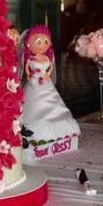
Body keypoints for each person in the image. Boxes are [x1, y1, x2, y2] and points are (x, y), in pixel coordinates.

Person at [20, 25, 80, 159]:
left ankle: (55, 134)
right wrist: (30, 76)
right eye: (38, 42)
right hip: (34, 83)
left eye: (46, 41)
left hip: (45, 84)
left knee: (53, 104)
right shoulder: (30, 60)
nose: (42, 45)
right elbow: (27, 70)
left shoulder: (47, 59)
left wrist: (46, 76)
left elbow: (49, 70)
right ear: (28, 44)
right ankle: (33, 137)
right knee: (33, 106)